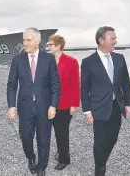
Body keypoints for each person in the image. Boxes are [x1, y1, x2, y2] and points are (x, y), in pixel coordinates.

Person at [6, 27, 61, 176]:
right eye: (23, 40)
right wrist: (11, 106)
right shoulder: (17, 60)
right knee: (26, 138)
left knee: (44, 140)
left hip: (44, 108)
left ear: (37, 41)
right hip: (25, 108)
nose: (25, 43)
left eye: (28, 40)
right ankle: (31, 157)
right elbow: (11, 85)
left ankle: (42, 166)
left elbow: (56, 85)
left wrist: (53, 105)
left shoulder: (48, 59)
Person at [81, 26, 130, 176]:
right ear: (101, 40)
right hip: (98, 108)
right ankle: (100, 169)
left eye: (115, 38)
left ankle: (102, 160)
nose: (115, 41)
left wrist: (128, 104)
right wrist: (87, 110)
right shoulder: (88, 62)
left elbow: (125, 83)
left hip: (117, 106)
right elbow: (84, 89)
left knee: (113, 137)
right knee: (100, 141)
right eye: (112, 38)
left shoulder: (119, 58)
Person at [48, 35, 80, 170]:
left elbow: (75, 84)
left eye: (50, 44)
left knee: (61, 132)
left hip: (65, 104)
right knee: (48, 131)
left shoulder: (71, 62)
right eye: (48, 44)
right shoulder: (46, 61)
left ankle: (64, 159)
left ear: (59, 46)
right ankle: (59, 152)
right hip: (47, 104)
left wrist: (74, 104)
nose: (48, 47)